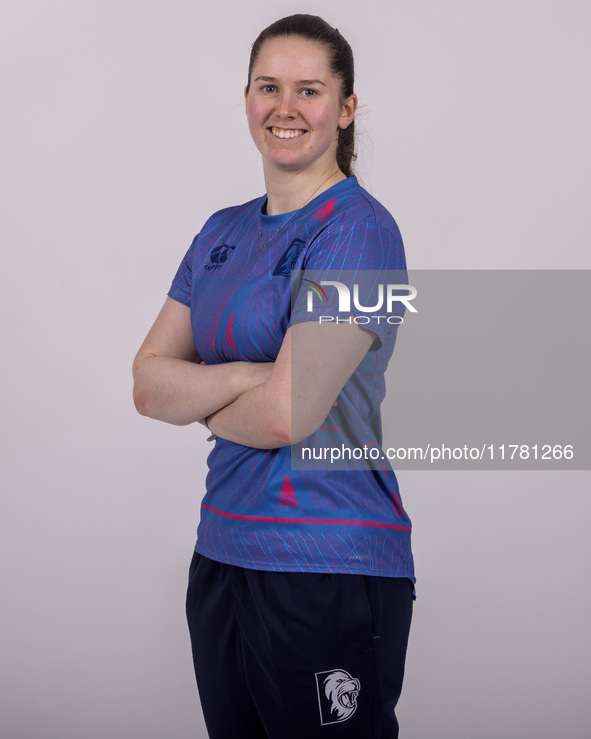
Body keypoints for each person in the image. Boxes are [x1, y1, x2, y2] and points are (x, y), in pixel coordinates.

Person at [133, 14, 415, 738]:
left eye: (309, 89)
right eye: (268, 86)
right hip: (221, 554)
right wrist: (248, 376)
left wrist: (207, 390)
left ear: (345, 109)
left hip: (326, 561)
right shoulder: (219, 231)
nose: (284, 107)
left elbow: (288, 413)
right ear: (247, 97)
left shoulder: (358, 232)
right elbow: (147, 382)